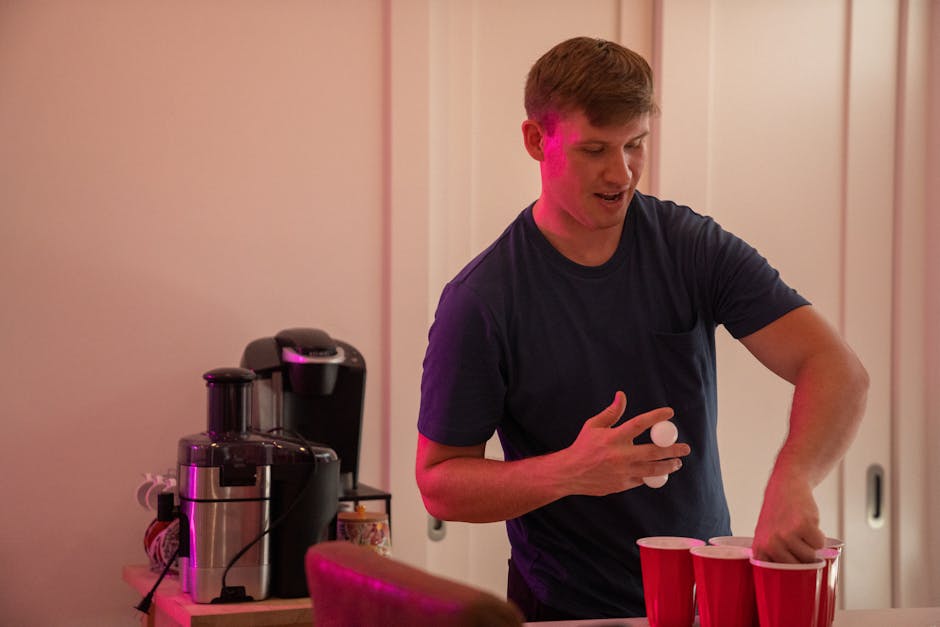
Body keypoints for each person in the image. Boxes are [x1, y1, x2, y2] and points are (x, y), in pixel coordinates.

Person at [415, 36, 868, 621]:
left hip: (710, 601)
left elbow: (837, 369)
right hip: (563, 609)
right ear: (536, 141)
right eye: (595, 149)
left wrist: (794, 477)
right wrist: (570, 472)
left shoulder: (692, 247)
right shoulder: (481, 299)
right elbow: (440, 482)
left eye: (635, 145)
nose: (620, 172)